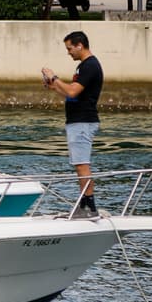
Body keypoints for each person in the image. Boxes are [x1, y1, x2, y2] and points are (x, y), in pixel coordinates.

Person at [42, 31, 103, 218]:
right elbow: (71, 94)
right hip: (78, 121)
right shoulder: (83, 66)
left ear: (79, 45)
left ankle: (90, 208)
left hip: (83, 121)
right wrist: (54, 86)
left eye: (70, 48)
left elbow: (72, 91)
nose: (68, 52)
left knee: (82, 165)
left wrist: (54, 77)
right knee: (79, 164)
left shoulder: (90, 66)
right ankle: (83, 206)